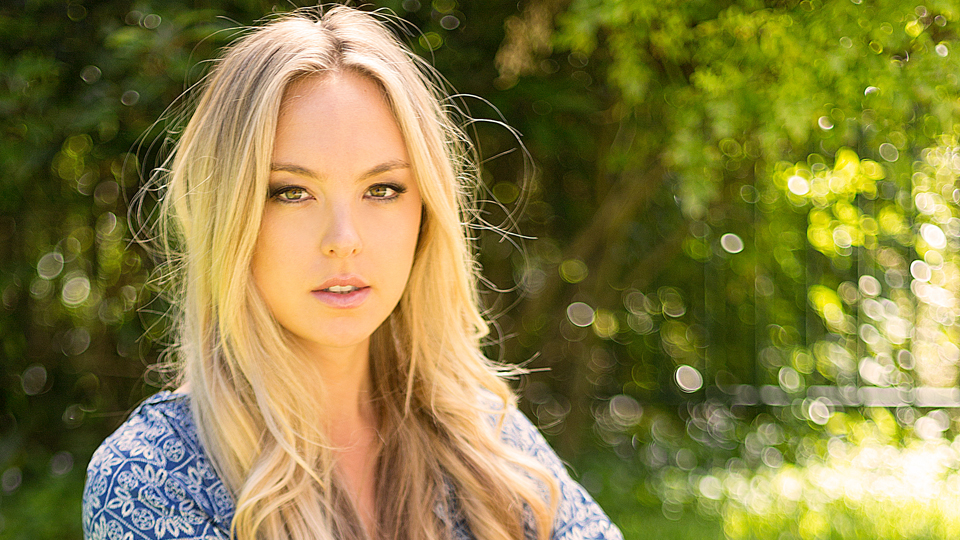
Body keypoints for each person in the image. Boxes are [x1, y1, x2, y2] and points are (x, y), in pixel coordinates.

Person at [81, 5, 623, 540]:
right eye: (291, 193)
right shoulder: (151, 478)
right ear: (229, 214)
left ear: (425, 213)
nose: (344, 240)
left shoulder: (483, 438)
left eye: (382, 190)